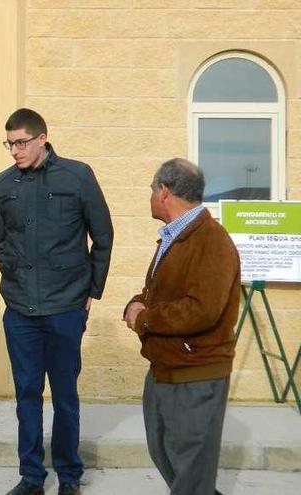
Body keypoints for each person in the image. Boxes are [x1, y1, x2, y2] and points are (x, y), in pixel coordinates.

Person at [0, 108, 113, 495]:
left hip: (65, 308)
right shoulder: (3, 183)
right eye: (9, 143)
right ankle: (30, 477)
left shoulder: (77, 175)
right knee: (26, 394)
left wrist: (91, 292)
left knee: (65, 396)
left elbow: (103, 235)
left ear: (42, 138)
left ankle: (70, 476)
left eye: (21, 142)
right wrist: (12, 272)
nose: (14, 151)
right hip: (20, 309)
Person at [123, 159, 239, 495]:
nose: (149, 196)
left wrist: (144, 318)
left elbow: (202, 309)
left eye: (151, 189)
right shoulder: (175, 237)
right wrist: (136, 302)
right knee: (169, 458)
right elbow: (160, 291)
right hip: (165, 369)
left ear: (164, 192)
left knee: (191, 471)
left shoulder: (211, 240)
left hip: (196, 376)